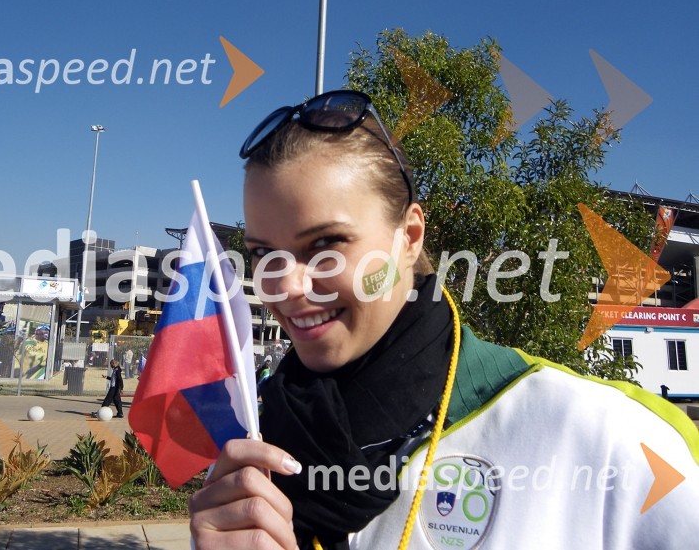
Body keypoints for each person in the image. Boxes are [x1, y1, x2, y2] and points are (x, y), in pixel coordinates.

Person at [188, 90, 699, 549]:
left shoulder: (599, 437)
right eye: (264, 253)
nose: (289, 284)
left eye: (325, 244)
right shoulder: (256, 457)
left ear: (408, 238)